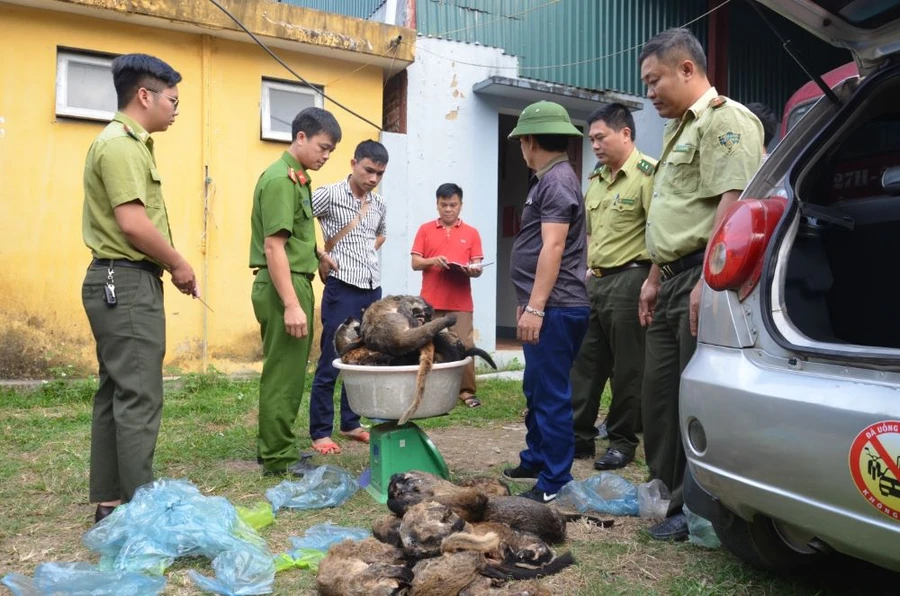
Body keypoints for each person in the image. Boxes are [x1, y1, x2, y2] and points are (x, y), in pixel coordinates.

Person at [638, 28, 763, 540]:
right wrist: (651, 277)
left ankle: (702, 511)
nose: (648, 93)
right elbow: (669, 213)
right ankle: (665, 499)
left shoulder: (726, 121)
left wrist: (705, 283)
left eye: (654, 80)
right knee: (659, 397)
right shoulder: (676, 130)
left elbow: (731, 205)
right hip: (668, 277)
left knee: (697, 402)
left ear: (687, 69)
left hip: (700, 276)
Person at [81, 53, 198, 523]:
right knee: (139, 397)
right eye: (172, 99)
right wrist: (178, 263)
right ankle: (139, 511)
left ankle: (110, 504)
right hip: (125, 281)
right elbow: (133, 223)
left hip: (119, 281)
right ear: (144, 95)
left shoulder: (127, 144)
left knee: (117, 393)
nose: (176, 108)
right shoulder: (122, 146)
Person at [501, 101, 590, 504]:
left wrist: (536, 306)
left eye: (521, 141)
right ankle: (536, 457)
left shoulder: (556, 182)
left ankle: (555, 480)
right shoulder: (550, 179)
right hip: (544, 305)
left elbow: (552, 246)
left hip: (556, 307)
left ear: (529, 141)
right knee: (535, 387)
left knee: (551, 393)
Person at [249, 107, 341, 475]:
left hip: (294, 280)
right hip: (281, 287)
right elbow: (273, 247)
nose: (325, 155)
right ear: (300, 137)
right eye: (322, 147)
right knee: (282, 374)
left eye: (331, 151)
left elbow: (291, 237)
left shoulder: (298, 179)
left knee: (288, 372)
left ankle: (279, 445)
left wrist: (317, 251)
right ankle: (277, 456)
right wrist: (291, 304)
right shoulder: (281, 180)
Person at [570, 103, 657, 470]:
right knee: (585, 363)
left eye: (600, 137)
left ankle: (622, 441)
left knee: (628, 368)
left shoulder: (648, 174)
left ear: (625, 133)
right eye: (591, 139)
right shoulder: (596, 179)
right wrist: (587, 269)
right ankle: (579, 437)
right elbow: (590, 231)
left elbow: (660, 231)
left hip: (631, 279)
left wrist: (652, 281)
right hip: (597, 280)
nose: (595, 145)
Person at [308, 140, 389, 455]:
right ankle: (320, 432)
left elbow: (381, 232)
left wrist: (364, 252)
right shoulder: (329, 194)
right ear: (354, 163)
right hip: (342, 287)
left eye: (379, 174)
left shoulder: (379, 203)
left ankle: (351, 423)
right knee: (332, 360)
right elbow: (298, 222)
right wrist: (321, 253)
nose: (372, 178)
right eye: (368, 170)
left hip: (372, 288)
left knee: (363, 360)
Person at [410, 183, 485, 408]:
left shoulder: (472, 233)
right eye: (444, 205)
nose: (448, 209)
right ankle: (427, 388)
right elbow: (415, 263)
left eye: (453, 205)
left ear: (461, 205)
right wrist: (432, 260)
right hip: (430, 302)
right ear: (437, 204)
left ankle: (466, 391)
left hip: (460, 301)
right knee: (427, 344)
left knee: (464, 345)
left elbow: (478, 266)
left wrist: (474, 269)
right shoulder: (425, 229)